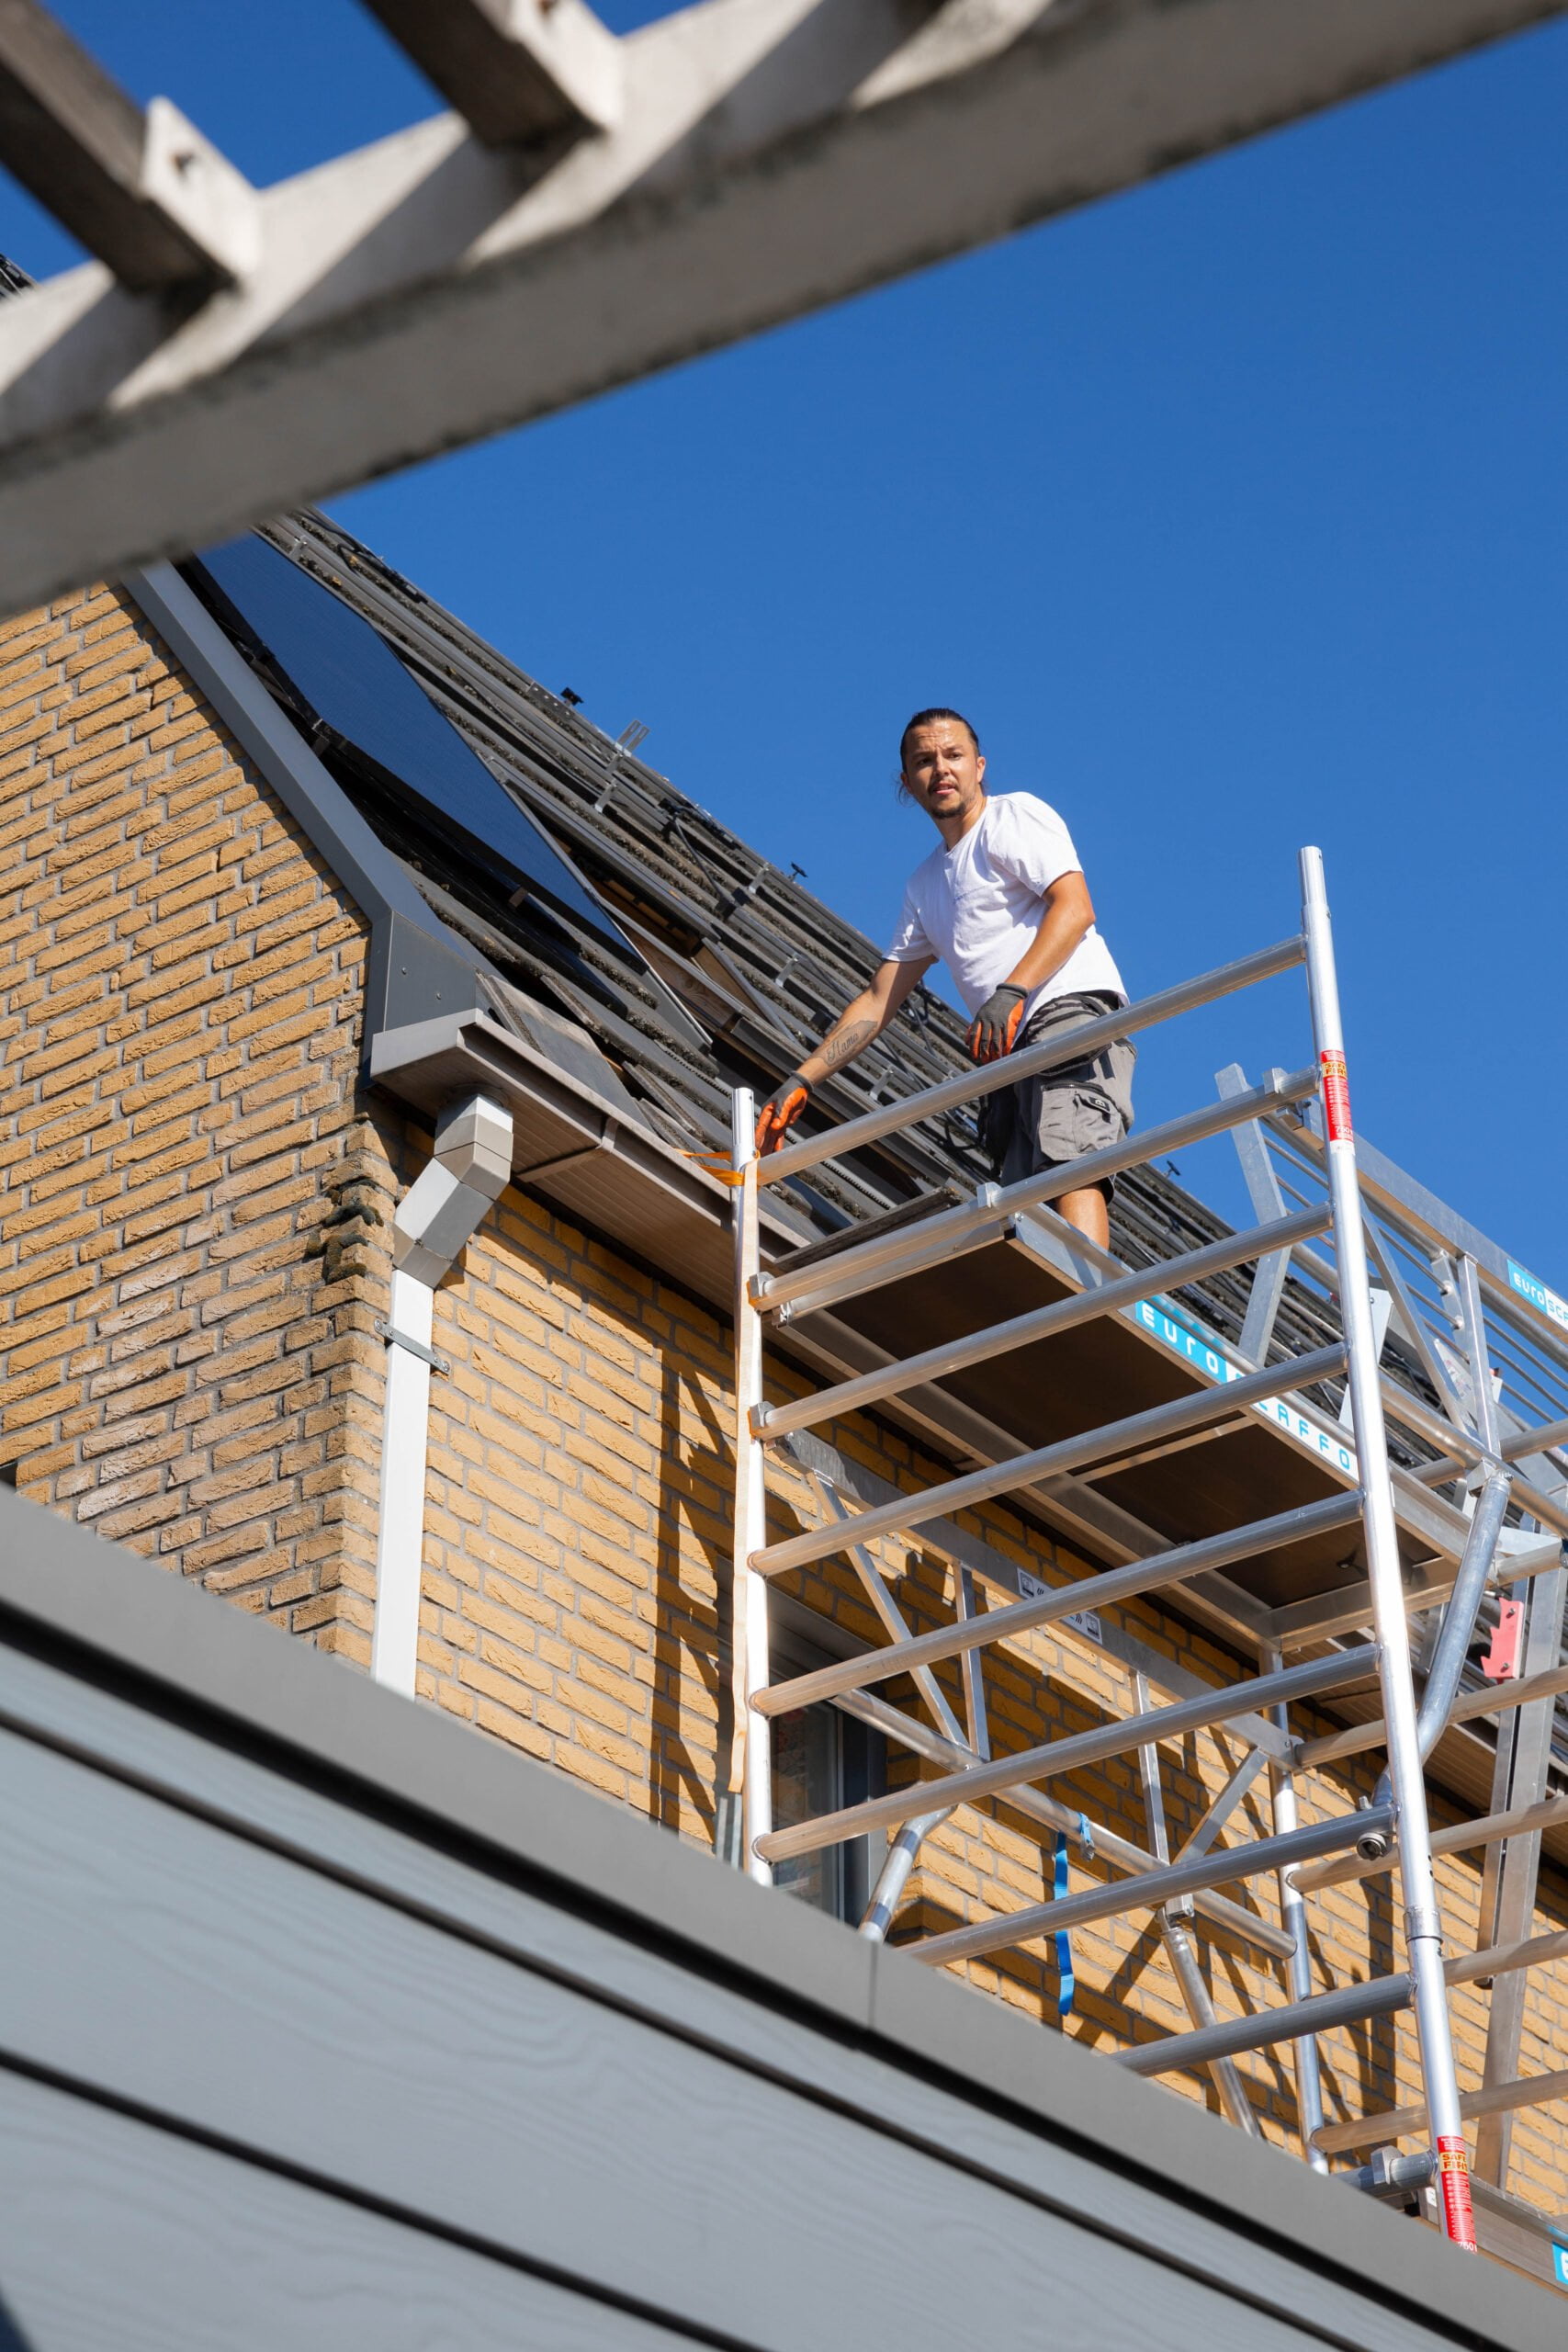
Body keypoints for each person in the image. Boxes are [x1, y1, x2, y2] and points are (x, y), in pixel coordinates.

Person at [754, 707, 1134, 1250]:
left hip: (1063, 1010)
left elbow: (1074, 908)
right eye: (925, 761)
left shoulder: (1012, 817)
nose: (942, 769)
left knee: (1071, 1155)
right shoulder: (926, 884)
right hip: (1010, 1045)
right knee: (1026, 1196)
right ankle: (1059, 1311)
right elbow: (880, 997)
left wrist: (1012, 990)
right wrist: (804, 1079)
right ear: (908, 782)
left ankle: (1093, 1302)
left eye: (953, 755)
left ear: (979, 766)